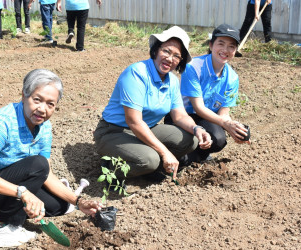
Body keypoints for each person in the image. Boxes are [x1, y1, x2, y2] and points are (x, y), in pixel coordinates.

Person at [0, 69, 102, 248]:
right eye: (37, 100)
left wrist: (78, 202)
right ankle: (2, 227)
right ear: (23, 96)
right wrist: (23, 193)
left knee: (56, 206)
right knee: (38, 164)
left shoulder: (43, 127)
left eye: (50, 104)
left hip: (4, 180)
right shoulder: (2, 123)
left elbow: (47, 174)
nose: (42, 109)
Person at [93, 26, 212, 182]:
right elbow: (133, 121)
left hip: (147, 128)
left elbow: (180, 116)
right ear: (156, 50)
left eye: (177, 56)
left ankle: (144, 161)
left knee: (191, 140)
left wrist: (197, 128)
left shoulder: (173, 82)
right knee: (150, 160)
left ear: (180, 61)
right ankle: (109, 166)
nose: (170, 59)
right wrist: (164, 153)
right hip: (115, 131)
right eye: (166, 51)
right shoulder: (137, 73)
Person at [169, 24, 250, 166]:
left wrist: (234, 128)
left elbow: (224, 113)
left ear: (236, 50)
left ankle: (197, 156)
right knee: (184, 153)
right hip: (182, 116)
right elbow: (198, 108)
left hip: (206, 118)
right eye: (221, 44)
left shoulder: (232, 78)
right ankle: (185, 156)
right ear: (211, 45)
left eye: (231, 46)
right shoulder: (194, 66)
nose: (225, 50)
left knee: (219, 140)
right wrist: (225, 124)